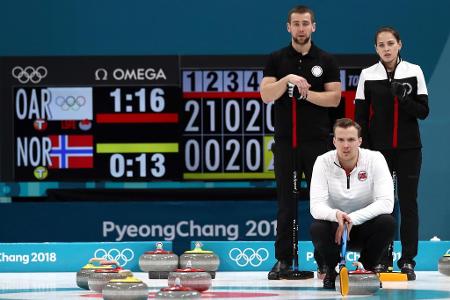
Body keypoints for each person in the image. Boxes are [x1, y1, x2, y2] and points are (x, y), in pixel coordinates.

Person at [260, 5, 341, 280]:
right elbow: (266, 94)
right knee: (286, 204)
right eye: (296, 24)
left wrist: (305, 93)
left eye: (306, 23)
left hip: (317, 144)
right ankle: (283, 260)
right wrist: (287, 79)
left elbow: (334, 99)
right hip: (285, 143)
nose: (301, 28)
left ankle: (326, 262)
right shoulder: (276, 59)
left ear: (313, 26)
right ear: (288, 27)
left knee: (322, 204)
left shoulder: (326, 60)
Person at [354, 26, 429, 280]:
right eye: (381, 44)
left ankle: (407, 260)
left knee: (408, 204)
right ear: (375, 48)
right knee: (382, 206)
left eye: (390, 43)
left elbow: (423, 112)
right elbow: (360, 117)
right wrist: (363, 150)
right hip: (379, 151)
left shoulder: (414, 71)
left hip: (409, 149)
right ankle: (381, 259)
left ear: (400, 45)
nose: (386, 48)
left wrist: (404, 99)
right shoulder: (367, 75)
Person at [310, 118, 396, 289]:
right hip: (336, 229)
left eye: (350, 140)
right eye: (340, 140)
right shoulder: (322, 161)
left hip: (364, 228)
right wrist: (336, 215)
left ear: (360, 141)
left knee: (387, 222)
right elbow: (316, 206)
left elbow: (387, 203)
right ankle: (332, 272)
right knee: (317, 227)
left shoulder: (375, 159)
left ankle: (366, 269)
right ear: (334, 141)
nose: (346, 145)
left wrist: (352, 219)